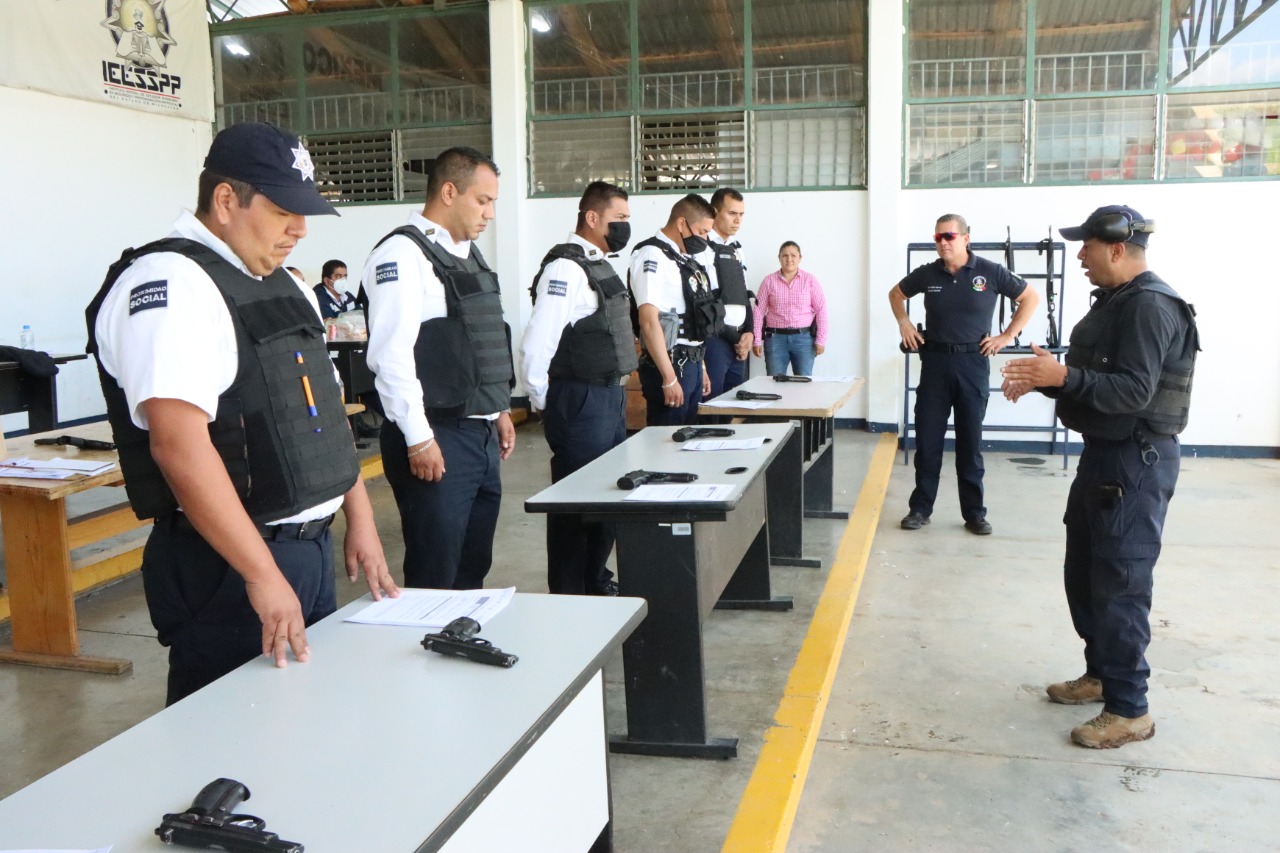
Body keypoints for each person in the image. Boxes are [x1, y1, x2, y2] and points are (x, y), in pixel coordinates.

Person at [86, 121, 399, 706]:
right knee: (230, 743)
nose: (300, 229)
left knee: (299, 728)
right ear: (226, 200)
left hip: (301, 549)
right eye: (284, 210)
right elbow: (178, 446)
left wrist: (358, 516)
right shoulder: (171, 284)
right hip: (230, 565)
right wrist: (260, 574)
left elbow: (322, 413)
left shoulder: (279, 283)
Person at [1000, 205, 1198, 749]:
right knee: (1085, 570)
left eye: (1086, 245)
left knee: (1120, 580)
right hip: (1105, 456)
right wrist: (1047, 379)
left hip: (1135, 462)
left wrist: (1062, 374)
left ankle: (1130, 708)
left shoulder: (1151, 307)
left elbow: (1134, 391)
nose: (1080, 255)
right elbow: (1101, 379)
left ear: (1116, 249)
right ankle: (1102, 673)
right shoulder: (1118, 303)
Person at [362, 147, 516, 591]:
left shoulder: (470, 254)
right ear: (449, 191)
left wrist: (499, 409)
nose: (489, 214)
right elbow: (391, 357)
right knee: (436, 572)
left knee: (472, 565)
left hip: (479, 431)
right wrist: (418, 438)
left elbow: (478, 344)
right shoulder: (402, 254)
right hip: (437, 435)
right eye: (483, 200)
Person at [890, 214, 1040, 535]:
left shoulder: (990, 272)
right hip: (935, 365)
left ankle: (974, 513)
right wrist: (904, 322)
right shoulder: (928, 273)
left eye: (950, 236)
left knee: (969, 444)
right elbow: (896, 294)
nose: (944, 242)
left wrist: (1007, 335)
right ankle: (920, 509)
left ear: (965, 238)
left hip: (973, 363)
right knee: (928, 442)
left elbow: (1030, 297)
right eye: (938, 237)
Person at [520, 181, 636, 596]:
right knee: (574, 505)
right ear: (592, 218)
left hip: (608, 397)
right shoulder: (566, 269)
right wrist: (543, 401)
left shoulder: (599, 264)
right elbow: (538, 341)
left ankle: (595, 580)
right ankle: (569, 595)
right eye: (619, 218)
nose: (626, 226)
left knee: (606, 500)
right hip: (580, 399)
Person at [629, 194, 722, 425]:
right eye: (701, 232)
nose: (705, 239)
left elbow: (693, 317)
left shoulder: (683, 259)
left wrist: (701, 366)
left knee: (686, 439)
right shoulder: (652, 255)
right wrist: (669, 378)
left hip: (691, 363)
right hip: (669, 365)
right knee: (666, 443)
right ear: (682, 223)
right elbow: (649, 321)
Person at [751, 241, 828, 376]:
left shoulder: (810, 280)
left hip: (804, 340)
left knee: (803, 384)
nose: (789, 259)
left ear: (800, 258)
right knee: (774, 384)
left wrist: (821, 340)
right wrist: (757, 339)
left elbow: (821, 310)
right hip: (775, 340)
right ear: (779, 258)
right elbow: (758, 311)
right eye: (785, 255)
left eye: (793, 255)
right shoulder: (768, 281)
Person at [704, 188, 753, 397]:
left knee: (733, 404)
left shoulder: (736, 249)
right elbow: (704, 302)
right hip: (716, 340)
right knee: (711, 406)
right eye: (732, 213)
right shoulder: (701, 248)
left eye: (741, 214)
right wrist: (735, 338)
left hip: (739, 341)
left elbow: (744, 294)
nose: (738, 220)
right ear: (715, 212)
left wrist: (749, 332)